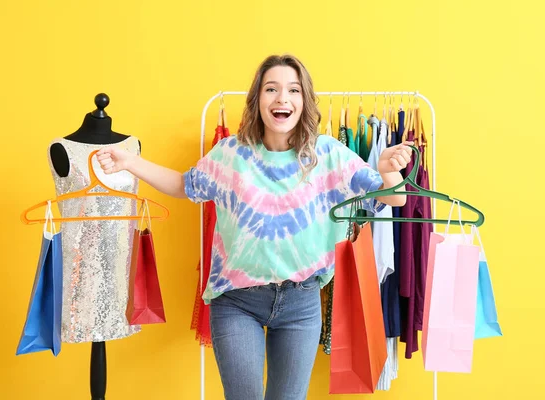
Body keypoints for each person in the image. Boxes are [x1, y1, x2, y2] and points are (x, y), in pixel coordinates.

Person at [96, 54, 413, 400]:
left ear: (303, 100)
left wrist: (387, 169)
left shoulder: (328, 154)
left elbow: (393, 199)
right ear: (257, 100)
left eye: (293, 90)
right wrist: (130, 162)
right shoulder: (231, 153)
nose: (282, 98)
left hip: (301, 303)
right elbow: (183, 185)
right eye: (271, 89)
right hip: (237, 303)